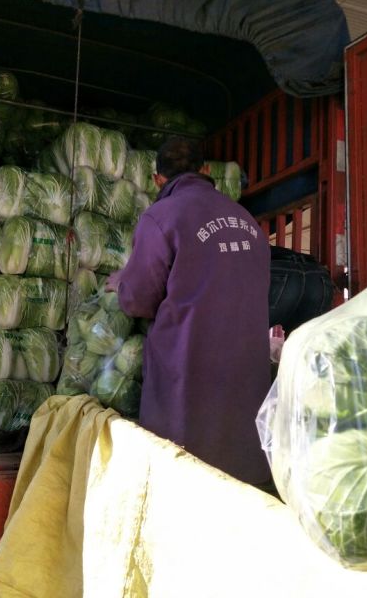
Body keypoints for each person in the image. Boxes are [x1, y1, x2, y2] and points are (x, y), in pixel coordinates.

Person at [105, 136, 272, 485]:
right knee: (237, 477)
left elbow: (138, 299)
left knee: (183, 479)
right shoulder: (247, 222)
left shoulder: (161, 217)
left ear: (157, 180)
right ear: (207, 171)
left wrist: (121, 282)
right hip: (246, 381)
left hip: (187, 379)